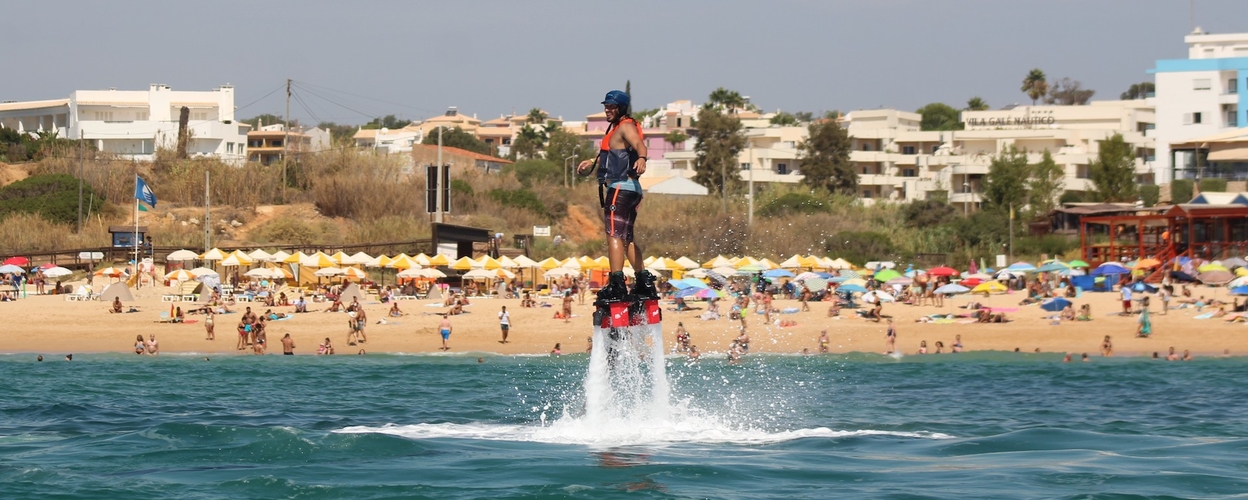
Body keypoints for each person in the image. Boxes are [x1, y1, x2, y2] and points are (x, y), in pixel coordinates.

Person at [576, 90, 659, 304]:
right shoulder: (617, 129)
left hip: (620, 188)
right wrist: (592, 161)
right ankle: (643, 281)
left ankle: (616, 284)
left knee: (613, 235)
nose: (607, 110)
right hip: (631, 189)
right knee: (626, 238)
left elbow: (639, 144)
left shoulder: (625, 126)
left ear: (621, 108)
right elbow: (615, 154)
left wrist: (642, 158)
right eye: (606, 106)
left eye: (612, 106)